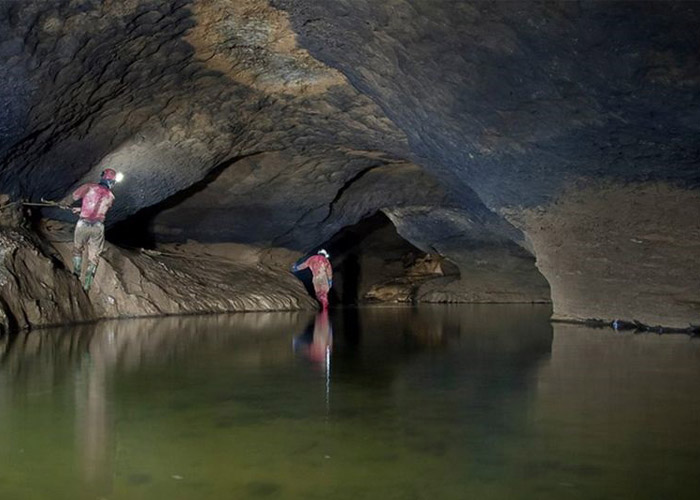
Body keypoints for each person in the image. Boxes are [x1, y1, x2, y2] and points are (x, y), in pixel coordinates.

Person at [66, 169, 117, 291]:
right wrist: (80, 209)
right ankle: (87, 285)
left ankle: (76, 274)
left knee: (78, 249)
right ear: (112, 182)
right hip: (98, 227)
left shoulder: (89, 187)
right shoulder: (111, 197)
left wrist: (65, 203)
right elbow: (99, 208)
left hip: (83, 224)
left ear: (102, 178)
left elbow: (72, 198)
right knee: (94, 256)